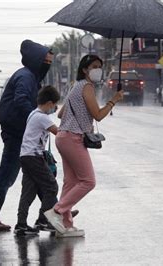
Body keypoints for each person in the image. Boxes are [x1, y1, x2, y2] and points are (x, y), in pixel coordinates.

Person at [44, 55, 124, 237]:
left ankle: (65, 225)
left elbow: (60, 114)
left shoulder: (76, 86)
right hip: (73, 139)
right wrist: (114, 100)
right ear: (84, 70)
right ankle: (56, 212)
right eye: (94, 66)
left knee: (71, 183)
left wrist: (77, 115)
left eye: (100, 66)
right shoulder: (87, 87)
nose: (98, 70)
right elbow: (98, 115)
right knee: (88, 181)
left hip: (63, 137)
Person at [0, 40, 54, 231]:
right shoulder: (25, 77)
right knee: (8, 175)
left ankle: (53, 213)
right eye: (46, 60)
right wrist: (36, 119)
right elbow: (21, 101)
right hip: (17, 135)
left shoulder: (31, 78)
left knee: (35, 176)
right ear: (37, 60)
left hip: (22, 134)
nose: (49, 63)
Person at [14, 85, 60, 236]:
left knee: (29, 191)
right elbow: (58, 132)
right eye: (54, 105)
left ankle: (21, 224)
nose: (54, 108)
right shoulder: (42, 117)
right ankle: (42, 220)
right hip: (34, 156)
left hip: (25, 156)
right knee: (51, 186)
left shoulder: (33, 114)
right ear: (48, 103)